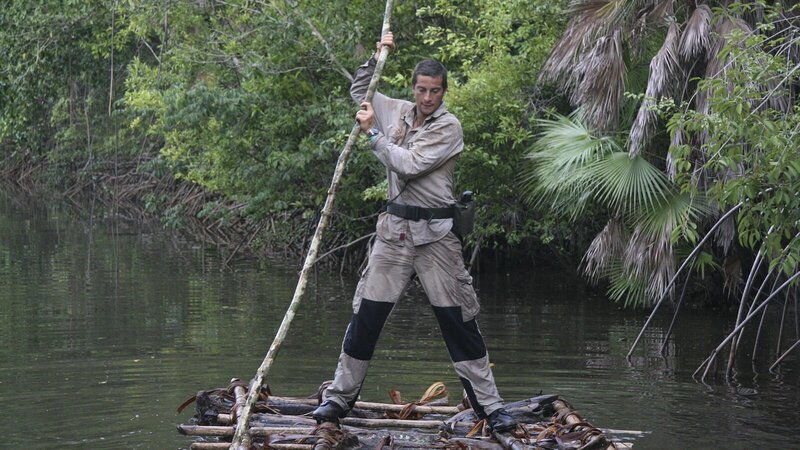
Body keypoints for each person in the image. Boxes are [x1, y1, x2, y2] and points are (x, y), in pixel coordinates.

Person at [312, 33, 516, 433]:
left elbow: (407, 164)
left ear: (444, 92)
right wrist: (378, 54)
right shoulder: (397, 110)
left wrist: (373, 135)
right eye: (421, 90)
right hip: (393, 236)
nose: (427, 98)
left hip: (436, 237)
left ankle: (490, 407)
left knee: (458, 322)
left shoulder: (449, 128)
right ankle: (338, 397)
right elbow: (362, 91)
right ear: (414, 88)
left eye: (435, 91)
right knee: (365, 317)